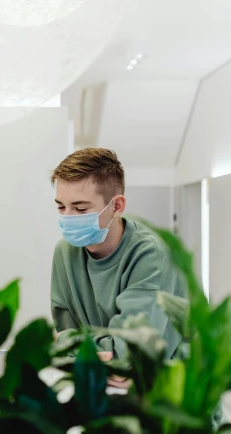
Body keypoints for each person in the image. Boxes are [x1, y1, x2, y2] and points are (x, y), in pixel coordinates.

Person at [50, 148, 187, 385]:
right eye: (61, 207)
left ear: (117, 206)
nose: (68, 217)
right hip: (107, 394)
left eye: (81, 208)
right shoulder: (65, 252)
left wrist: (83, 349)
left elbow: (128, 355)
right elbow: (65, 349)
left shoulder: (150, 254)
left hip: (171, 400)